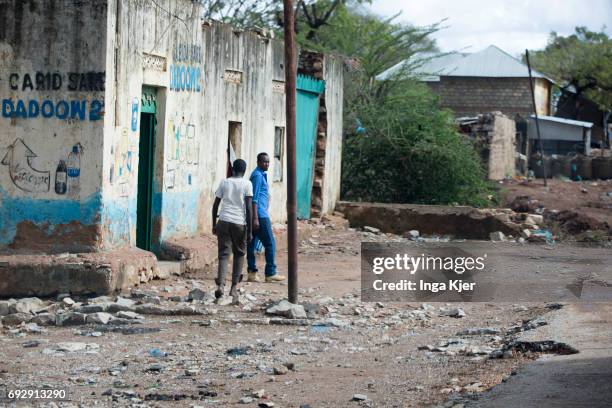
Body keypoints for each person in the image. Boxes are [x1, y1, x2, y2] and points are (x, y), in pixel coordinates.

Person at [212, 159, 253, 302]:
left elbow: (215, 204)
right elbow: (248, 208)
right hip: (238, 223)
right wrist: (250, 230)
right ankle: (233, 288)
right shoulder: (247, 184)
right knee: (239, 254)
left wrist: (214, 224)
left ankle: (221, 286)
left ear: (233, 169)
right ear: (244, 170)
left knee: (223, 255)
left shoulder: (224, 182)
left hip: (223, 221)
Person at [247, 153, 285, 282]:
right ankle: (270, 273)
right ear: (258, 162)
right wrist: (256, 218)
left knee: (251, 244)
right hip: (260, 215)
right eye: (264, 162)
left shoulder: (261, 175)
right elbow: (254, 198)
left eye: (268, 162)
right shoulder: (257, 176)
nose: (266, 164)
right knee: (270, 243)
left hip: (258, 214)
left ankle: (252, 272)